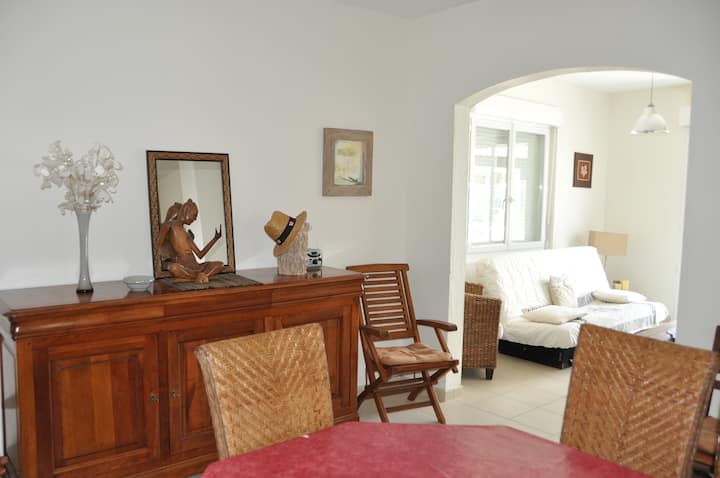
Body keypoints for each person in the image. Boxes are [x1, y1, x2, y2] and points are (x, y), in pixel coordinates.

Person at [157, 198, 224, 283]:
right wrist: (168, 258)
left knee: (220, 264)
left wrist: (215, 239)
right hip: (184, 268)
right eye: (194, 215)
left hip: (196, 267)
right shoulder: (168, 226)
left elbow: (200, 254)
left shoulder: (187, 234)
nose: (195, 219)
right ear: (186, 211)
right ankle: (200, 277)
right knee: (173, 268)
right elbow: (158, 246)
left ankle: (199, 276)